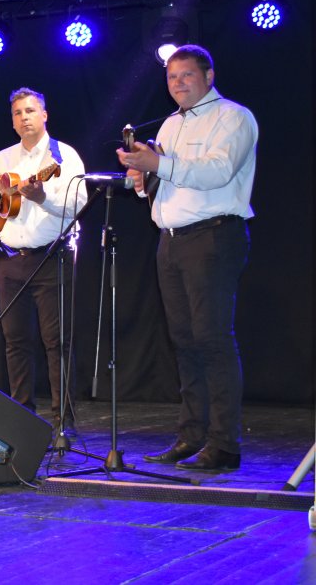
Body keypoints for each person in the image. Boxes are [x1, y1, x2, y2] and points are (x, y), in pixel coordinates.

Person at [117, 45, 256, 472]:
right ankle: (192, 435)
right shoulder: (170, 124)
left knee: (212, 339)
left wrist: (158, 163)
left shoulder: (233, 117)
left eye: (186, 75)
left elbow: (217, 171)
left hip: (213, 236)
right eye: (171, 77)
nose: (177, 83)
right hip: (171, 240)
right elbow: (163, 183)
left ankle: (224, 444)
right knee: (184, 341)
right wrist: (142, 175)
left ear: (209, 76)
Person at [0, 88, 86, 432]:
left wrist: (42, 197)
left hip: (51, 256)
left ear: (44, 115)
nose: (24, 118)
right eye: (18, 113)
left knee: (57, 342)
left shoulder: (62, 157)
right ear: (12, 121)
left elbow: (78, 203)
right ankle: (22, 417)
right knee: (16, 342)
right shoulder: (2, 159)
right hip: (9, 261)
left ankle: (64, 421)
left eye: (31, 111)